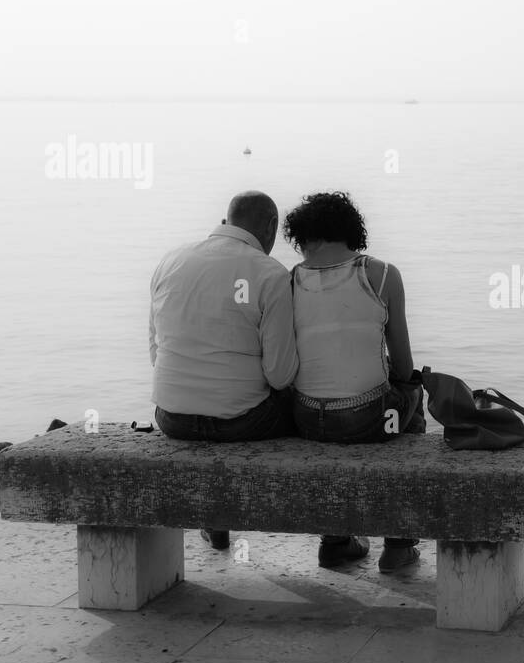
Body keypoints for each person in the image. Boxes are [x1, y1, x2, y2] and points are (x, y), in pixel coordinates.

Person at [150, 191, 370, 555]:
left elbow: (156, 351)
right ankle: (336, 535)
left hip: (171, 417)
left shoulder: (170, 261)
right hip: (242, 423)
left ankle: (216, 522)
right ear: (270, 226)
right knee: (310, 407)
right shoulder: (269, 274)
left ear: (227, 220)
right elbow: (281, 374)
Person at [282, 191, 424, 572]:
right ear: (350, 231)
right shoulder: (381, 274)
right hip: (369, 417)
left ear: (305, 237)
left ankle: (336, 541)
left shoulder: (289, 280)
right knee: (411, 398)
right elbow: (405, 364)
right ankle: (398, 543)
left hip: (308, 418)